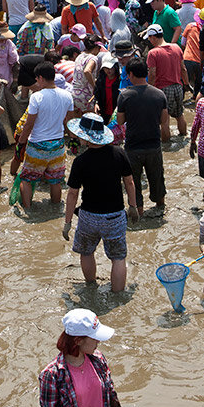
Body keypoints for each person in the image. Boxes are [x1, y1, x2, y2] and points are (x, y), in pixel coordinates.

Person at [38, 309, 135, 407]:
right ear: (78, 341)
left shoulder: (98, 359)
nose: (98, 341)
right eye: (94, 338)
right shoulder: (52, 376)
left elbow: (110, 392)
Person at [63, 114, 140, 292]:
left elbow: (72, 194)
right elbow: (129, 182)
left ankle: (91, 286)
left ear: (85, 136)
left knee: (86, 252)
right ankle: (118, 295)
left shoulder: (80, 162)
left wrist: (67, 222)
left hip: (89, 216)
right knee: (118, 258)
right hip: (115, 216)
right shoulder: (119, 153)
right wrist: (133, 207)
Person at [16, 61, 74, 209]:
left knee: (27, 179)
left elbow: (29, 125)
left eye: (36, 79)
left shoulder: (36, 97)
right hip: (58, 145)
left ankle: (28, 210)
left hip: (37, 145)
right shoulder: (67, 96)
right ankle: (55, 209)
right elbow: (70, 122)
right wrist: (73, 140)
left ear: (40, 77)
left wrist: (20, 144)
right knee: (55, 180)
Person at [115, 58, 168, 215]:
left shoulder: (125, 96)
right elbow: (164, 121)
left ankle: (138, 211)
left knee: (133, 182)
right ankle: (160, 207)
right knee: (157, 178)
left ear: (130, 74)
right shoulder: (159, 95)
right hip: (153, 144)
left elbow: (120, 121)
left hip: (133, 146)